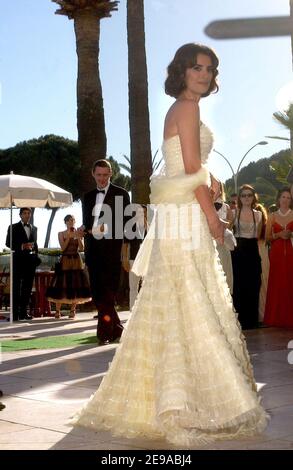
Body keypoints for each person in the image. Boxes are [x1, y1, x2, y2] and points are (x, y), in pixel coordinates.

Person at [71, 43, 267, 447]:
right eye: (197, 68)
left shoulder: (178, 109)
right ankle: (189, 402)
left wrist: (213, 187)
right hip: (188, 218)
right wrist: (213, 214)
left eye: (210, 70)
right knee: (190, 298)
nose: (204, 75)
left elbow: (188, 170)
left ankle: (171, 400)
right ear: (181, 71)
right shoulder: (188, 108)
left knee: (175, 300)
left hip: (177, 217)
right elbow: (192, 172)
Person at [80, 159, 131, 344]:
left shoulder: (122, 194)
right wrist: (82, 230)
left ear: (111, 174)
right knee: (98, 293)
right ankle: (117, 329)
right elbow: (87, 224)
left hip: (112, 250)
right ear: (93, 174)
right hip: (93, 251)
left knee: (109, 292)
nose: (102, 179)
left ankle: (104, 333)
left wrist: (107, 229)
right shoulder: (87, 197)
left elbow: (126, 224)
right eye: (98, 175)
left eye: (105, 175)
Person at [46, 215, 92, 319]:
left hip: (76, 259)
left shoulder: (78, 232)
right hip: (65, 259)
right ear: (66, 222)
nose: (72, 222)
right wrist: (69, 237)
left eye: (73, 220)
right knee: (62, 284)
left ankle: (73, 310)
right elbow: (62, 248)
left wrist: (79, 237)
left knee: (76, 284)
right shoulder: (61, 233)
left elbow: (81, 248)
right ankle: (57, 311)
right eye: (70, 220)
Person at [231, 185, 262, 330]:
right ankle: (240, 321)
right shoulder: (234, 213)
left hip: (252, 250)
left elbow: (258, 236)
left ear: (253, 197)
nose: (246, 198)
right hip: (238, 250)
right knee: (239, 285)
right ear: (239, 198)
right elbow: (228, 231)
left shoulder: (258, 215)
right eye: (243, 195)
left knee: (254, 284)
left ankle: (252, 321)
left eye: (249, 195)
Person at [264, 188, 293, 327]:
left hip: (291, 253)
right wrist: (279, 235)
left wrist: (291, 235)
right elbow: (267, 238)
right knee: (277, 282)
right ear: (278, 199)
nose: (286, 200)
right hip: (276, 253)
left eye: (288, 198)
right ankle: (275, 318)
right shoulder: (272, 216)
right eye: (283, 197)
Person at [5, 207, 40, 321]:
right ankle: (14, 314)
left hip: (30, 262)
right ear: (20, 215)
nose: (27, 215)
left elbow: (35, 244)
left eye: (28, 213)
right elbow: (8, 243)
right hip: (18, 261)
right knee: (16, 287)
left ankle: (24, 313)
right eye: (24, 213)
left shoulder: (34, 228)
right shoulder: (13, 227)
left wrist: (35, 253)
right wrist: (22, 246)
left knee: (27, 288)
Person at [121, 204, 148, 310]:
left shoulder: (149, 226)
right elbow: (125, 244)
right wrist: (125, 259)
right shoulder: (130, 226)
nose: (143, 214)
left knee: (146, 285)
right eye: (141, 212)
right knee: (133, 286)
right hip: (133, 259)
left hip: (146, 260)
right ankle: (133, 310)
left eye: (144, 212)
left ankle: (144, 310)